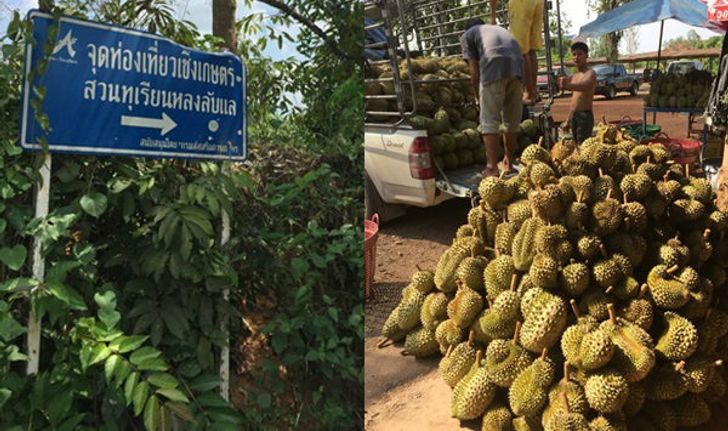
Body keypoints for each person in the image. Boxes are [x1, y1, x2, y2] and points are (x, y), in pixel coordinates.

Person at [461, 18, 524, 177]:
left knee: (489, 121)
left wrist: (477, 95)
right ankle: (509, 162)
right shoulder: (497, 29)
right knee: (512, 121)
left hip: (493, 66)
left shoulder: (468, 35)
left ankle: (491, 168)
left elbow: (474, 72)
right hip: (517, 67)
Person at [494, 0, 543, 105]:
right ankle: (533, 91)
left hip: (521, 3)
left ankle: (529, 92)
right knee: (531, 49)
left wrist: (493, 17)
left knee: (521, 50)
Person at [558, 39, 596, 144]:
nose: (576, 57)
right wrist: (568, 120)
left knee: (583, 147)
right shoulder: (575, 76)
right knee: (575, 146)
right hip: (575, 116)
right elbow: (574, 103)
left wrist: (567, 85)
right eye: (574, 54)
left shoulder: (590, 73)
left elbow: (584, 86)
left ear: (586, 55)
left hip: (585, 116)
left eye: (580, 54)